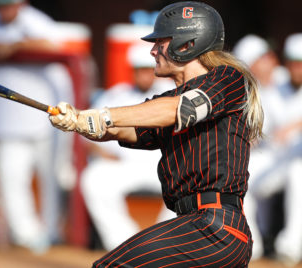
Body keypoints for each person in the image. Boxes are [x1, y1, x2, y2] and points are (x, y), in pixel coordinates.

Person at [49, 1, 263, 267]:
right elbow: (126, 130)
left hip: (214, 228)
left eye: (160, 41)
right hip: (197, 226)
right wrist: (79, 121)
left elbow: (178, 109)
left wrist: (104, 115)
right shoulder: (165, 101)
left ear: (187, 44)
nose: (152, 50)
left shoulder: (227, 78)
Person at [0, 0, 75, 253]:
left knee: (53, 178)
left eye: (8, 5)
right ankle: (27, 236)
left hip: (47, 117)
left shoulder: (35, 21)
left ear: (20, 3)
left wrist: (15, 46)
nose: (3, 10)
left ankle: (52, 233)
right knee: (11, 179)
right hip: (7, 120)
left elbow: (54, 45)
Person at [81, 43, 176, 251]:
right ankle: (125, 244)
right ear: (132, 70)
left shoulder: (172, 92)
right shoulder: (116, 95)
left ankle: (162, 245)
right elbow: (89, 133)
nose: (144, 75)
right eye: (139, 69)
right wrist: (100, 152)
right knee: (93, 177)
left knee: (190, 182)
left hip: (165, 165)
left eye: (147, 69)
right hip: (125, 164)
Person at [232, 34, 289, 260]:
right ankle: (251, 243)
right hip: (267, 158)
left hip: (289, 158)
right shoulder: (247, 92)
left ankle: (283, 246)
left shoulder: (288, 77)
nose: (271, 60)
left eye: (269, 55)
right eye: (263, 57)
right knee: (244, 174)